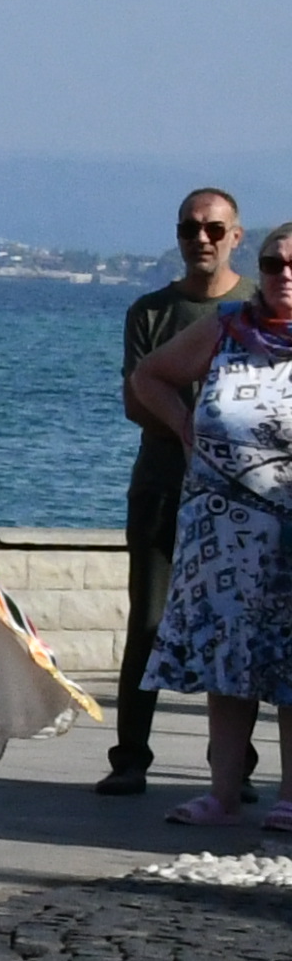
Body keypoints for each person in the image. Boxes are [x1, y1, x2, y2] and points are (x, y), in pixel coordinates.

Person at [127, 215, 292, 836]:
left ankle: (290, 796)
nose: (284, 275)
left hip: (289, 532)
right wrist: (187, 429)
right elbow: (149, 378)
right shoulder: (230, 330)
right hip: (221, 536)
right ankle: (223, 793)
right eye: (274, 263)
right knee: (230, 663)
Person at [107, 187, 249, 795]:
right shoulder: (150, 313)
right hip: (163, 487)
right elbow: (137, 400)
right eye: (191, 229)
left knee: (236, 625)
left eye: (215, 229)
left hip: (244, 499)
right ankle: (130, 758)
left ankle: (234, 767)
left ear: (236, 236)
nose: (202, 239)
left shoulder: (256, 311)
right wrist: (192, 431)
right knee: (149, 622)